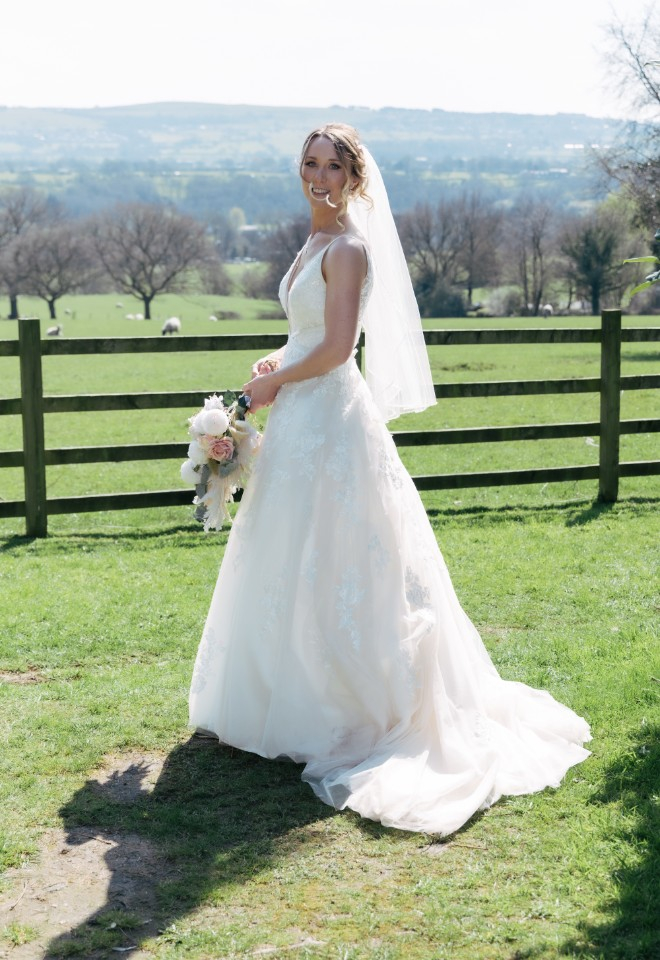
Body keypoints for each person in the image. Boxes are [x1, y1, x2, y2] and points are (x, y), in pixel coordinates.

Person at [189, 123, 591, 835]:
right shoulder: (312, 243)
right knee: (287, 554)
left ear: (354, 178)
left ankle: (351, 705)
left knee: (345, 556)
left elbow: (340, 350)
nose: (319, 176)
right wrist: (273, 362)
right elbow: (309, 336)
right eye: (310, 164)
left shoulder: (346, 247)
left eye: (333, 167)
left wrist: (273, 384)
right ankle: (278, 696)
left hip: (332, 423)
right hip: (301, 419)